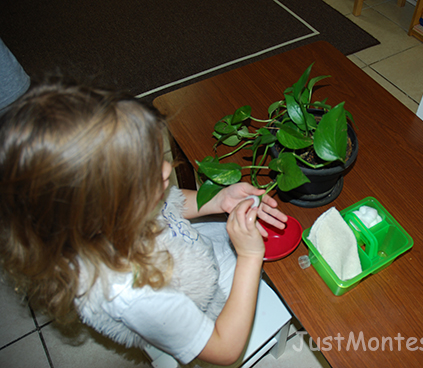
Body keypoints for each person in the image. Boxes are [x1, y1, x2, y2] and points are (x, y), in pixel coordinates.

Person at [0, 82, 288, 366]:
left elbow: (169, 206)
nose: (166, 168)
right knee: (290, 287)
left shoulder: (104, 217)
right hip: (209, 309)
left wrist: (216, 200)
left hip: (191, 253)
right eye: (146, 171)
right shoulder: (133, 293)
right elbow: (224, 349)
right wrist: (250, 256)